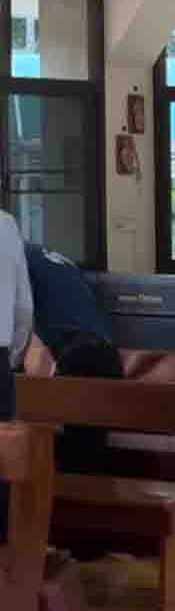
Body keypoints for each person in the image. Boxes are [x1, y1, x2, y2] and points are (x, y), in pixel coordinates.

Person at [20, 244, 124, 474]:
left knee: (65, 470)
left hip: (74, 362)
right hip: (107, 360)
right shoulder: (47, 256)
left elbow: (34, 351)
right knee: (89, 467)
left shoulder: (11, 261)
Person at [0, 212, 33, 544]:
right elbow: (24, 309)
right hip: (0, 359)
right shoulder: (6, 226)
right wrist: (10, 359)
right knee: (2, 458)